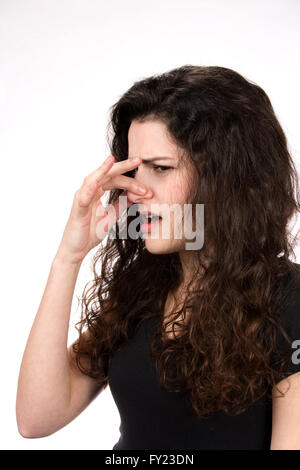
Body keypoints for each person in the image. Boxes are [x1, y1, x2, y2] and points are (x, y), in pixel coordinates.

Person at [16, 65, 300, 450]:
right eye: (134, 170)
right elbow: (36, 418)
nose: (136, 191)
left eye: (161, 169)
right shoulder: (141, 288)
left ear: (228, 176)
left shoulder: (291, 299)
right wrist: (68, 257)